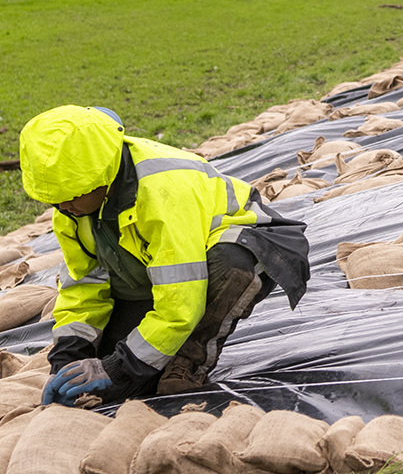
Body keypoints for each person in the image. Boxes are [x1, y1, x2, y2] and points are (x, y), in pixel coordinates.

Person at [19, 105, 310, 405]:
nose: (65, 206)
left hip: (247, 244)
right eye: (54, 200)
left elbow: (181, 299)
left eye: (72, 196)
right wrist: (68, 359)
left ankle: (190, 361)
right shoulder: (70, 210)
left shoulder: (162, 192)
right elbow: (83, 287)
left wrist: (118, 367)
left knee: (230, 266)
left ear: (103, 173)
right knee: (111, 384)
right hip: (158, 274)